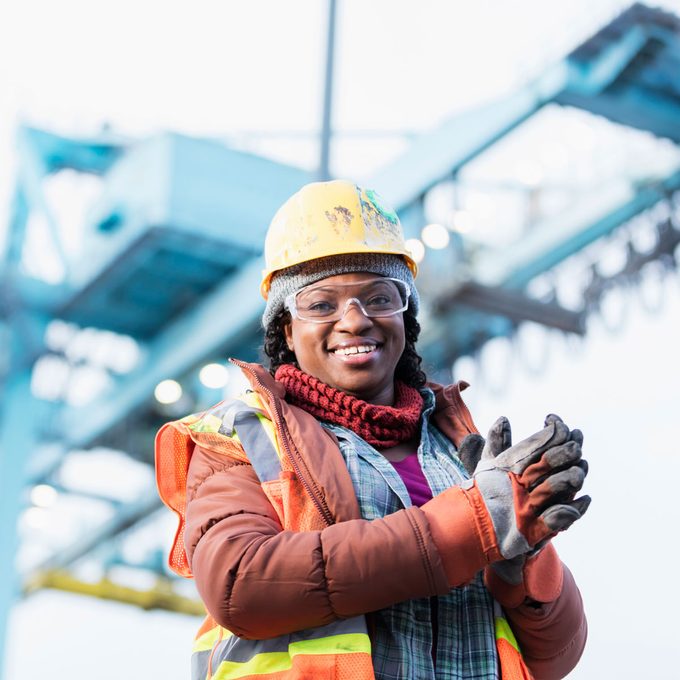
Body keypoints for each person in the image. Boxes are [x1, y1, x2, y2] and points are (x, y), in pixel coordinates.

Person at [155, 180, 590, 680]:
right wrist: (473, 524)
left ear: (405, 315)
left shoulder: (456, 450)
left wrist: (524, 563)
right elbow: (240, 584)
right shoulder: (242, 436)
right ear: (287, 331)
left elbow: (555, 656)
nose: (354, 320)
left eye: (378, 297)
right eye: (320, 305)